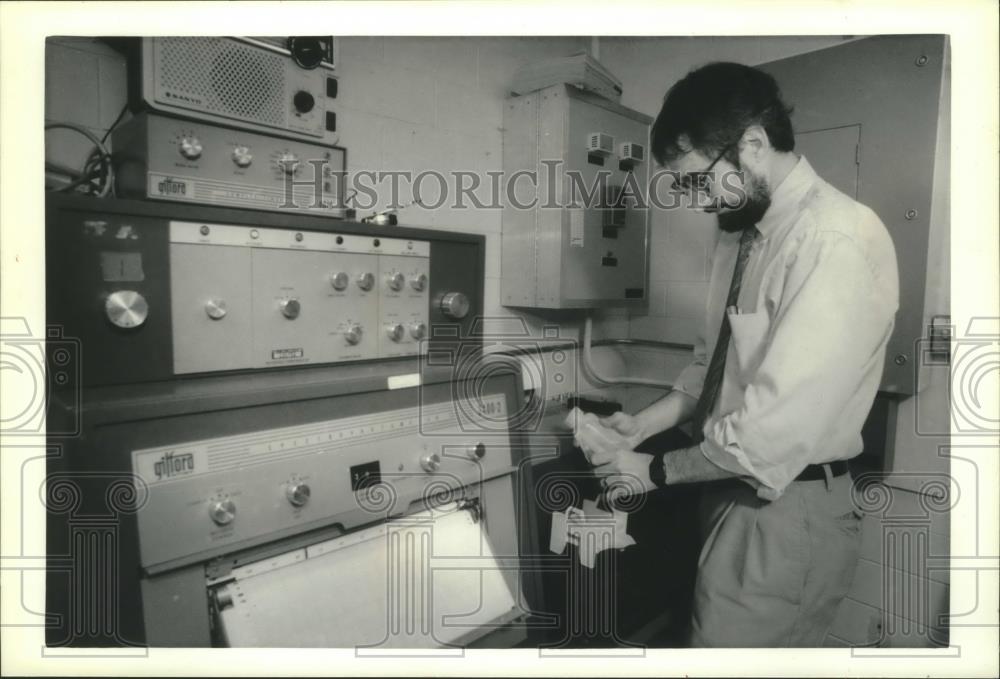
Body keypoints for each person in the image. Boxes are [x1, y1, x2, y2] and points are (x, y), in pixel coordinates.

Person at [588, 62, 899, 647]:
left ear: (752, 144)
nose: (695, 201)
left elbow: (771, 433)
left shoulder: (833, 240)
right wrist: (640, 427)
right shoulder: (741, 233)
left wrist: (650, 471)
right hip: (728, 484)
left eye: (697, 181)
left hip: (787, 504)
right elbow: (713, 364)